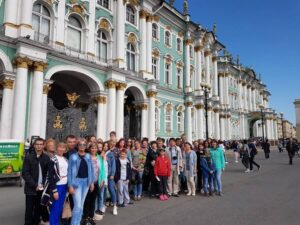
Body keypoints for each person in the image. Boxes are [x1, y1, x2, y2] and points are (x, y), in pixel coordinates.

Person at [23, 138, 50, 225]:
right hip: (31, 189)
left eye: (41, 144)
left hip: (41, 188)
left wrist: (42, 183)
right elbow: (25, 173)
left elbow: (47, 173)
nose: (39, 146)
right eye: (37, 144)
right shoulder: (28, 157)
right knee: (29, 209)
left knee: (38, 209)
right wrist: (35, 185)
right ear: (34, 145)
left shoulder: (46, 158)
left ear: (43, 146)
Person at [68, 139, 94, 225]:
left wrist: (92, 182)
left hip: (86, 182)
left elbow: (91, 170)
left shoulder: (88, 156)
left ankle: (78, 223)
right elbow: (70, 172)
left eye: (84, 144)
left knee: (81, 206)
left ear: (86, 146)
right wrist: (70, 185)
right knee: (77, 206)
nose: (82, 146)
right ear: (77, 146)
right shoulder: (73, 157)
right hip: (76, 183)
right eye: (80, 144)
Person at [48, 142, 68, 225]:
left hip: (65, 185)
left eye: (63, 147)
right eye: (60, 147)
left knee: (60, 207)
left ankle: (56, 223)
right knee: (55, 207)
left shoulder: (66, 159)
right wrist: (54, 190)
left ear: (65, 149)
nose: (61, 149)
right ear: (57, 148)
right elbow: (50, 176)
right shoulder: (53, 159)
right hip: (57, 185)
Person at [82, 143, 102, 225]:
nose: (94, 149)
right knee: (87, 200)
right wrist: (90, 182)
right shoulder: (86, 157)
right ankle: (85, 218)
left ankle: (91, 217)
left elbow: (102, 170)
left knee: (93, 201)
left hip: (97, 182)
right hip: (88, 183)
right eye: (92, 148)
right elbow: (85, 171)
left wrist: (102, 180)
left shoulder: (99, 157)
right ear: (90, 149)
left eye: (95, 148)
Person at [95, 142, 108, 219]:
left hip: (102, 179)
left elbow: (105, 170)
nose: (99, 149)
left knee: (101, 195)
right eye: (98, 147)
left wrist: (105, 180)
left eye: (100, 147)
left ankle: (99, 209)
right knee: (95, 196)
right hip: (95, 180)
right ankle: (95, 210)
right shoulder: (94, 156)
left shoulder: (103, 157)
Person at [107, 140, 118, 215]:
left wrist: (112, 174)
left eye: (107, 146)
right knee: (103, 191)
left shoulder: (110, 154)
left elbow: (113, 165)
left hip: (110, 175)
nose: (105, 147)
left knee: (111, 189)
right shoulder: (100, 154)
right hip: (102, 176)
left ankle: (115, 205)